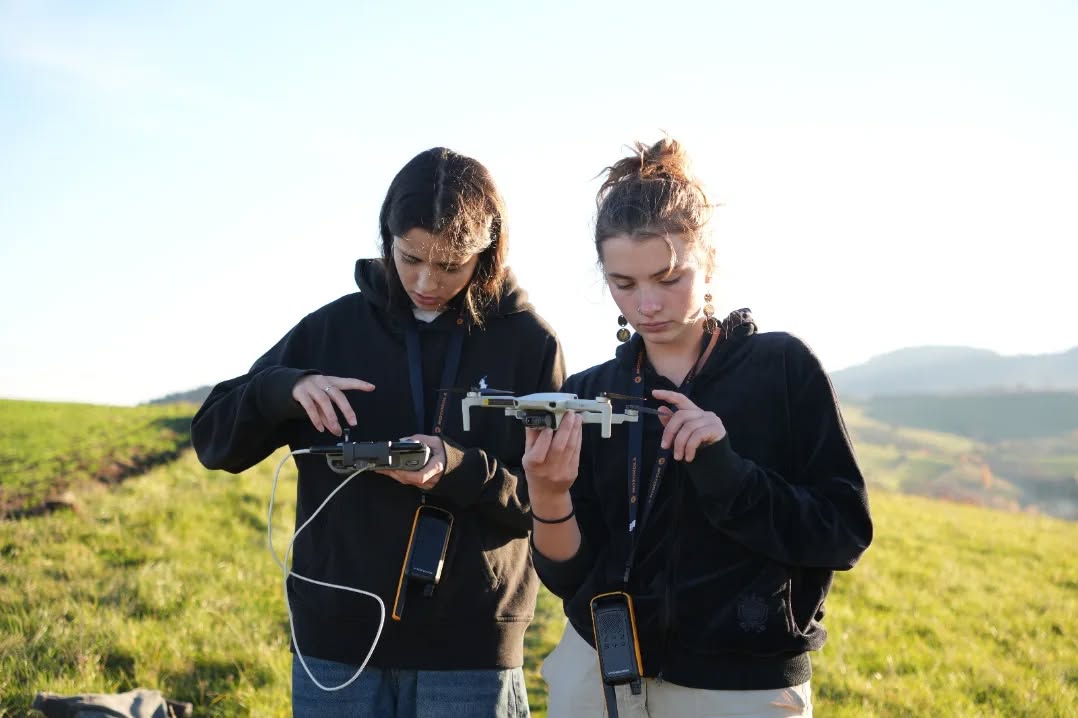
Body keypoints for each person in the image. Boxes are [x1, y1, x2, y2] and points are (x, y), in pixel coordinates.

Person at [191, 147, 565, 718]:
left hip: (469, 649)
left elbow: (554, 501)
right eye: (410, 257)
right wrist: (281, 389)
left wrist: (460, 471)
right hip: (335, 648)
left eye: (450, 265)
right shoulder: (331, 330)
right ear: (386, 235)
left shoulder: (529, 344)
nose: (425, 281)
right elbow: (213, 439)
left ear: (487, 253)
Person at [521, 138, 873, 717]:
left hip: (738, 688)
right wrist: (548, 494)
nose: (648, 305)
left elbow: (843, 533)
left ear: (708, 261)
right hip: (597, 675)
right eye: (624, 284)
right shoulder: (585, 394)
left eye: (668, 277)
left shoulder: (780, 369)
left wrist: (727, 473)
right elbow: (566, 576)